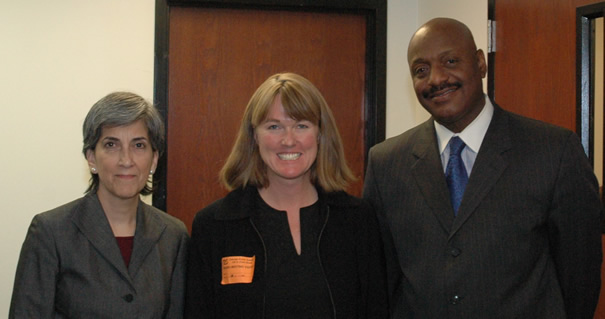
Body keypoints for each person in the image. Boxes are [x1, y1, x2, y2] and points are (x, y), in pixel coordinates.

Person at [362, 17, 603, 318]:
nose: (436, 79)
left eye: (450, 61)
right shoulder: (385, 163)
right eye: (421, 70)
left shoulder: (553, 151)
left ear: (480, 63)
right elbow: (380, 279)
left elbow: (580, 275)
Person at [185, 72, 388, 318]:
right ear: (254, 137)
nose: (289, 140)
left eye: (301, 125)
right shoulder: (214, 226)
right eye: (274, 126)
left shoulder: (358, 220)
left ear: (321, 134)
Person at [9, 92, 189, 318]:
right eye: (111, 144)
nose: (126, 160)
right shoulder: (51, 232)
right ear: (91, 158)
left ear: (154, 159)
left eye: (139, 145)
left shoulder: (173, 236)